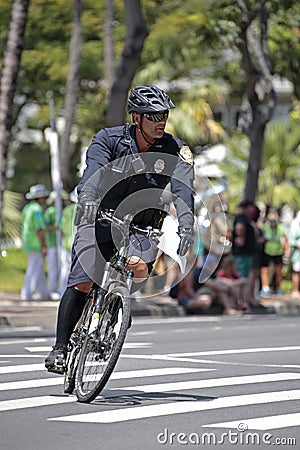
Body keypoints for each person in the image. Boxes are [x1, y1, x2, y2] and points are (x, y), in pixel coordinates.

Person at [45, 85, 195, 374]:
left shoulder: (176, 149)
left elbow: (182, 189)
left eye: (163, 114)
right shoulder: (108, 139)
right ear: (136, 118)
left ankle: (117, 303)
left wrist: (187, 225)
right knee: (84, 281)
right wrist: (87, 199)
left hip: (143, 223)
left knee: (138, 267)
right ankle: (60, 348)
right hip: (100, 215)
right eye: (153, 116)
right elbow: (94, 171)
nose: (160, 121)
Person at [21, 184, 51, 301]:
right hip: (35, 243)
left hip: (27, 241)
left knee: (37, 268)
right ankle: (27, 292)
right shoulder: (37, 210)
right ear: (39, 198)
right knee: (33, 268)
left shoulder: (27, 208)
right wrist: (44, 245)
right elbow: (39, 229)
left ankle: (44, 292)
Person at [260, 211, 289, 297]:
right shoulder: (265, 227)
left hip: (278, 252)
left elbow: (285, 239)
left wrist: (287, 251)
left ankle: (278, 288)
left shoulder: (281, 228)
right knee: (265, 270)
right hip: (267, 252)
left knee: (278, 271)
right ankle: (265, 288)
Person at [231, 199, 256, 278]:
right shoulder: (241, 218)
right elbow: (240, 227)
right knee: (241, 275)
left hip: (245, 252)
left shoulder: (245, 218)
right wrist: (241, 238)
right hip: (243, 253)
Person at [59, 189, 77, 294]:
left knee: (64, 268)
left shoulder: (66, 210)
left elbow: (60, 228)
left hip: (65, 243)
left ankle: (62, 291)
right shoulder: (84, 209)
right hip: (77, 243)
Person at [289, 211, 300, 298]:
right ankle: (295, 290)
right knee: (297, 272)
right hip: (297, 254)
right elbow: (291, 240)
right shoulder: (295, 226)